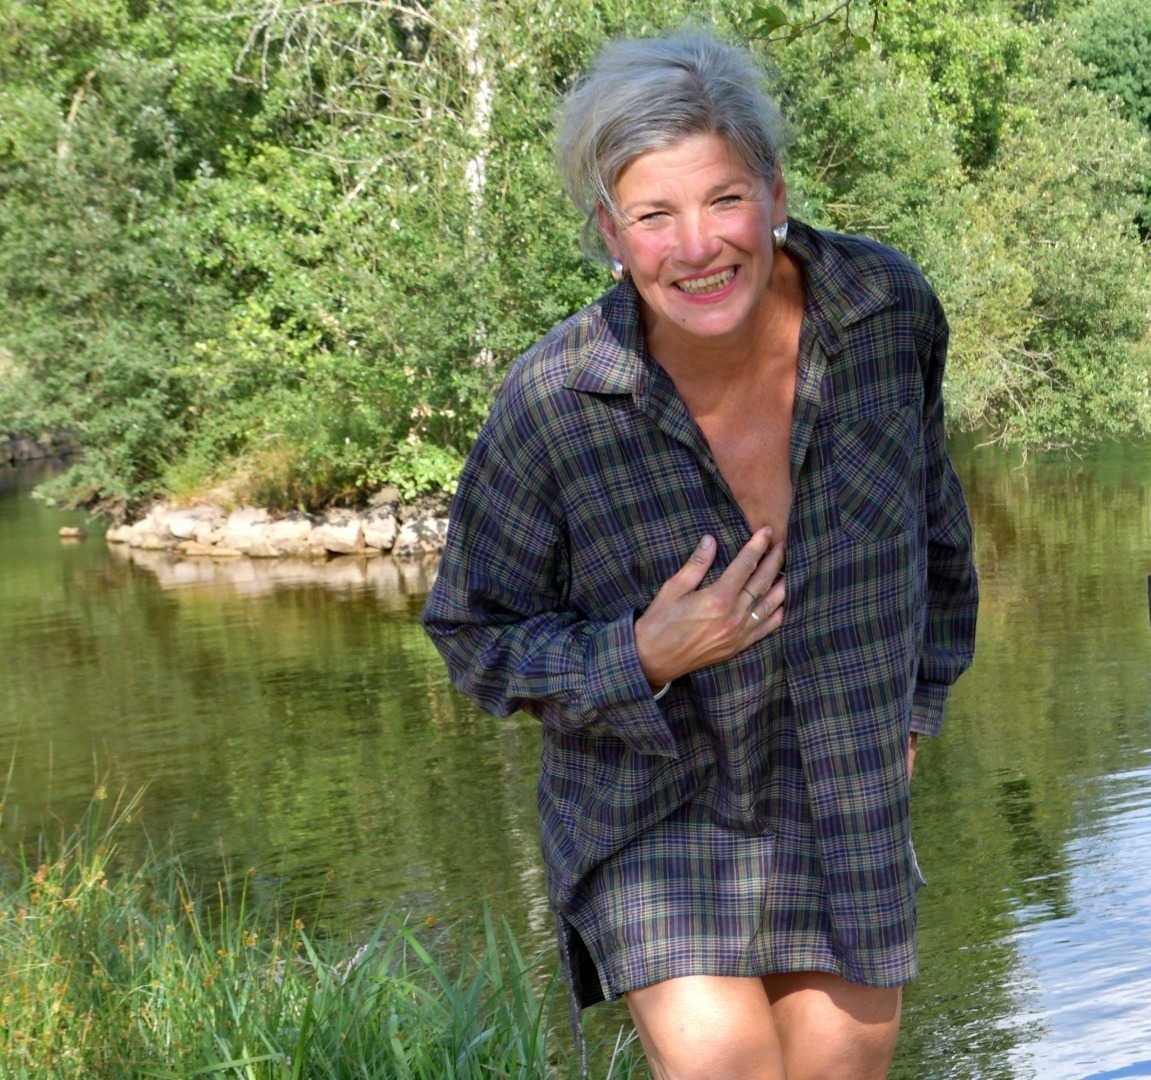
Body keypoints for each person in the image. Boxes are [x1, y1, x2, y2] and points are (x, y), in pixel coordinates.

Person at [421, 30, 977, 1080]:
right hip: (656, 809)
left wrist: (919, 702)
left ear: (774, 195)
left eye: (723, 200)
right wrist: (640, 654)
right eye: (652, 215)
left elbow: (937, 528)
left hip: (846, 792)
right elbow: (472, 634)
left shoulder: (885, 312)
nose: (695, 246)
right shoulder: (555, 402)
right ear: (609, 231)